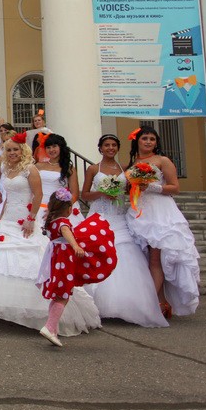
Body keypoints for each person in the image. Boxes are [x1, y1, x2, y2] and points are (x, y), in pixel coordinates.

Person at [0, 133, 101, 336]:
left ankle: (41, 312)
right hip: (8, 217)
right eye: (8, 150)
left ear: (23, 151)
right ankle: (2, 303)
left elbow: (37, 195)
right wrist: (1, 216)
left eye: (15, 150)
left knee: (29, 257)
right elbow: (8, 196)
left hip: (25, 219)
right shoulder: (6, 168)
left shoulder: (31, 169)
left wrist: (31, 218)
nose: (11, 153)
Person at [81, 134, 168, 327]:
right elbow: (84, 194)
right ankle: (93, 305)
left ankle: (127, 304)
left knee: (126, 256)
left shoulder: (126, 170)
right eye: (106, 145)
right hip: (99, 216)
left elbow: (132, 190)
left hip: (119, 217)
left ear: (117, 148)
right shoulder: (93, 169)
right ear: (100, 148)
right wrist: (102, 193)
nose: (110, 148)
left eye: (113, 145)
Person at [124, 126, 200, 318]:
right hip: (139, 210)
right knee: (146, 258)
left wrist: (152, 186)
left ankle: (149, 303)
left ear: (156, 143)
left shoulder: (162, 161)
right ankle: (162, 302)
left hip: (160, 212)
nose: (148, 142)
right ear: (137, 141)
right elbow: (128, 190)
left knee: (156, 258)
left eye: (152, 139)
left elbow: (175, 187)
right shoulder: (132, 163)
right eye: (144, 139)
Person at [36, 188, 117, 346]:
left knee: (59, 294)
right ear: (67, 209)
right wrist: (75, 246)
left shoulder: (50, 221)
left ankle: (51, 327)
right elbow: (66, 231)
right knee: (63, 294)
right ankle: (50, 326)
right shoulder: (62, 222)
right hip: (64, 260)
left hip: (56, 259)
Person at [35, 134, 85, 227]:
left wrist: (58, 209)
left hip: (60, 205)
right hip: (39, 203)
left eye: (54, 146)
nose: (51, 150)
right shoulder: (38, 166)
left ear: (61, 147)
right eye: (48, 147)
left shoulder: (69, 168)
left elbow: (75, 194)